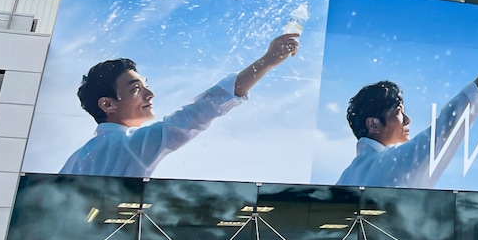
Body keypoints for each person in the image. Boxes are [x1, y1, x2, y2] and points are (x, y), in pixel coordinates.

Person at [61, 33, 300, 177]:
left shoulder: (74, 160)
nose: (150, 94)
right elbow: (200, 111)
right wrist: (267, 61)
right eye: (136, 89)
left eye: (146, 85)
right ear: (108, 104)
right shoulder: (130, 146)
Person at [337, 34, 478, 187]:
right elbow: (447, 125)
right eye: (398, 112)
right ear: (373, 124)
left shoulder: (345, 178)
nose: (407, 120)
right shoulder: (390, 164)